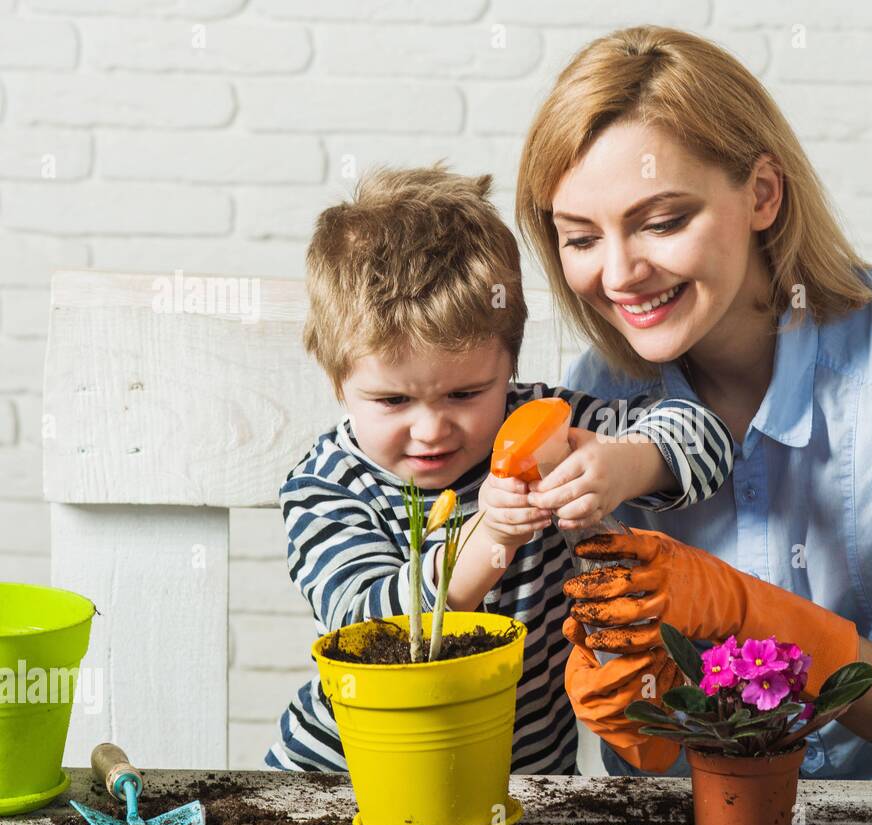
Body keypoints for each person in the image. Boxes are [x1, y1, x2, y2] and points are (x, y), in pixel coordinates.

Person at [515, 26, 872, 781]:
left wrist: (758, 622)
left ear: (762, 193)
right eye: (580, 237)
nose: (620, 273)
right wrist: (629, 705)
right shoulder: (604, 393)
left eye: (661, 222)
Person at [264, 163, 734, 774]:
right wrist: (487, 540)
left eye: (465, 394)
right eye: (392, 401)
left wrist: (624, 464)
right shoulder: (326, 486)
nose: (431, 428)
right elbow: (372, 628)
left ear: (508, 366)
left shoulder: (544, 426)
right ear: (338, 382)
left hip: (524, 780)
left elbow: (706, 436)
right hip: (351, 774)